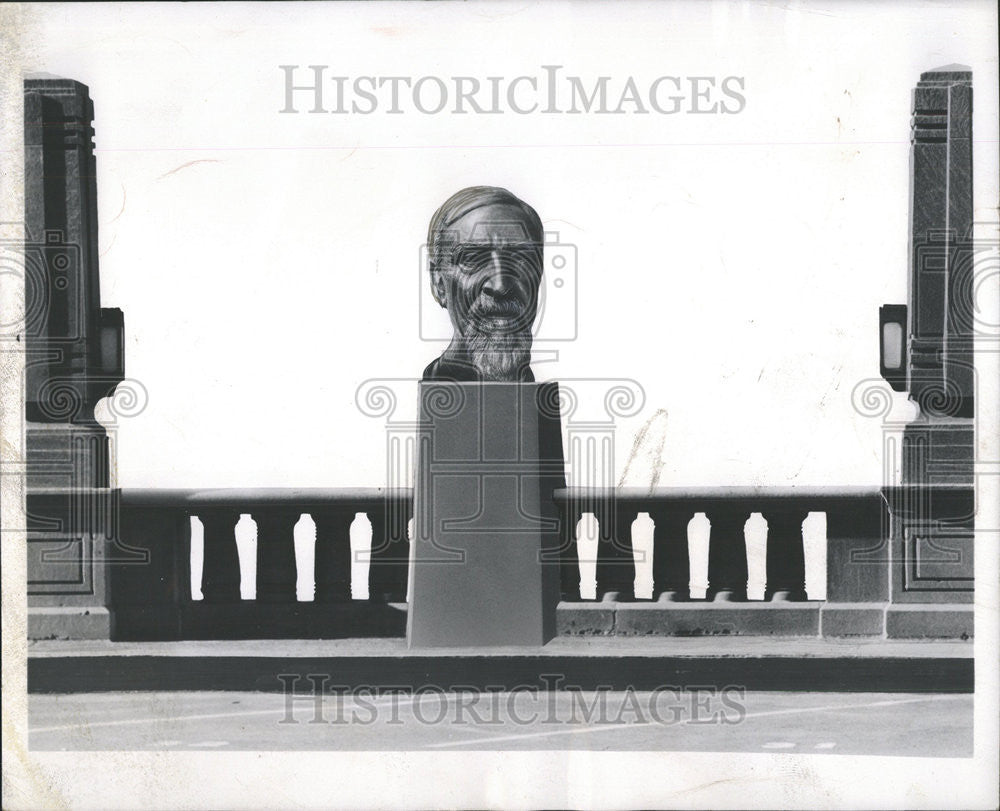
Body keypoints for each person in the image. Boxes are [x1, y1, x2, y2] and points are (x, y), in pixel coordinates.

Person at [423, 186, 543, 382]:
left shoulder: (540, 400)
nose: (501, 286)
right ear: (439, 283)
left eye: (520, 258)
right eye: (472, 259)